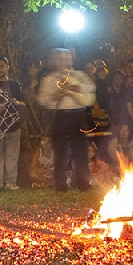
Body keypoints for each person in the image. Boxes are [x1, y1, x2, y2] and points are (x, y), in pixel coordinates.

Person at [37, 48, 96, 192]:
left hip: (78, 115)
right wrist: (53, 96)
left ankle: (83, 184)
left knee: (80, 151)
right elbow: (42, 99)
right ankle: (60, 185)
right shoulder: (49, 79)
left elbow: (91, 88)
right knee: (59, 152)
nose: (62, 61)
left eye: (66, 58)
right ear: (54, 61)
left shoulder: (80, 75)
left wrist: (74, 87)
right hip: (59, 116)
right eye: (59, 58)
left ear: (71, 60)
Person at [0, 56, 26, 191]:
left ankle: (10, 182)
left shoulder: (14, 85)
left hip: (13, 125)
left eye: (2, 66)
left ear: (7, 67)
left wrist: (17, 103)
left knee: (12, 156)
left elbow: (24, 103)